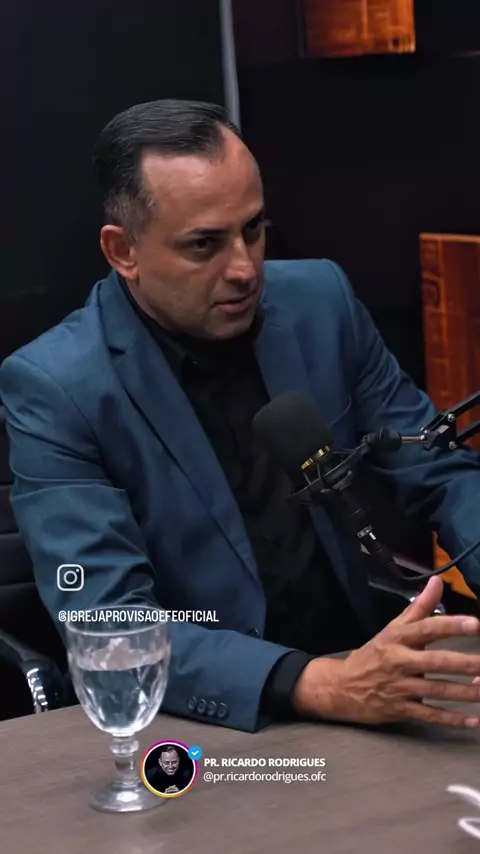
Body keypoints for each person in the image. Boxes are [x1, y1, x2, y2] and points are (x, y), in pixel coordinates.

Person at [1, 99, 480, 735]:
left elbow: (439, 470)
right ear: (123, 251)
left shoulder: (323, 303)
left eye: (253, 229)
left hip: (369, 670)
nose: (244, 268)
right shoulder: (56, 387)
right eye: (204, 244)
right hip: (204, 722)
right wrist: (319, 684)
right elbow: (110, 622)